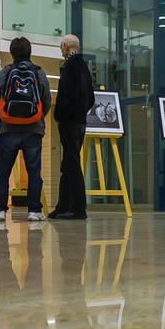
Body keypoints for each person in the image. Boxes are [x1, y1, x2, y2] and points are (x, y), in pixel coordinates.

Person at [0, 37, 51, 222]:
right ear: (30, 52)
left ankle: (0, 211)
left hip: (8, 129)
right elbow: (46, 101)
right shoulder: (38, 72)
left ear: (12, 52)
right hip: (33, 130)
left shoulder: (5, 72)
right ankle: (34, 211)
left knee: (3, 171)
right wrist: (35, 117)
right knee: (34, 172)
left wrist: (6, 115)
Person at [50, 34, 95, 220]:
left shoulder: (70, 66)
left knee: (72, 164)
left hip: (70, 122)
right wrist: (81, 113)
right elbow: (91, 98)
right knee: (68, 163)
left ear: (65, 46)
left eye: (61, 47)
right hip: (80, 122)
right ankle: (62, 206)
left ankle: (78, 208)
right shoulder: (84, 66)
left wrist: (60, 117)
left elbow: (68, 96)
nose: (61, 50)